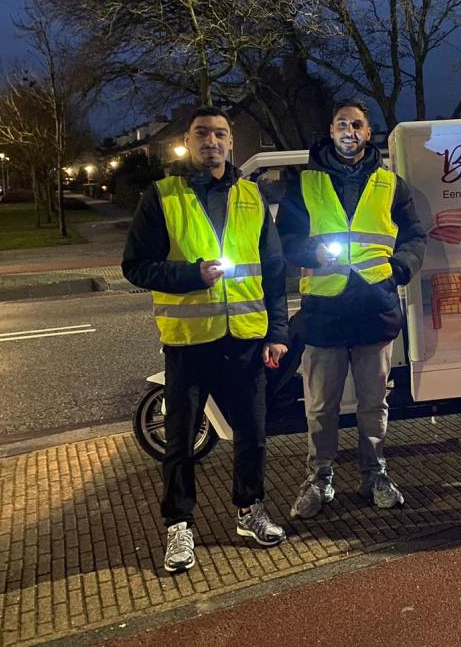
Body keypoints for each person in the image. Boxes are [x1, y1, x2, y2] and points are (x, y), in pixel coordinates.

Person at [123, 107, 289, 572]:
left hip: (245, 340)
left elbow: (273, 273)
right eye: (202, 134)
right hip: (189, 342)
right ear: (188, 143)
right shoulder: (162, 196)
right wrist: (191, 275)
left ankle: (249, 510)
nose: (211, 141)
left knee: (253, 436)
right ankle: (180, 526)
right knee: (181, 443)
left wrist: (277, 332)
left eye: (220, 133)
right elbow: (135, 266)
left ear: (231, 143)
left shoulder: (252, 197)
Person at [277, 99, 426, 518]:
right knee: (320, 406)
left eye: (357, 124)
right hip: (323, 311)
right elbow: (285, 240)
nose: (349, 131)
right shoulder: (304, 184)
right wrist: (311, 252)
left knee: (373, 404)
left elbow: (415, 235)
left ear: (367, 133)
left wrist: (401, 268)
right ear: (330, 129)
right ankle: (320, 479)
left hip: (373, 308)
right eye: (341, 123)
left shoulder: (390, 184)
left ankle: (374, 474)